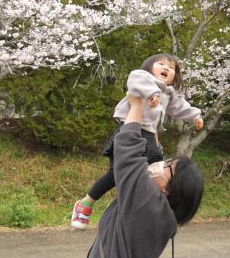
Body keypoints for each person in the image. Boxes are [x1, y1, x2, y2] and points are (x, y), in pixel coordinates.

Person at [73, 54, 204, 229]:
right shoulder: (142, 77)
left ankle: (143, 210)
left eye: (171, 67)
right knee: (116, 174)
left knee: (152, 174)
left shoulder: (169, 93)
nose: (166, 68)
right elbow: (135, 85)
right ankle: (85, 203)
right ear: (149, 67)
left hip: (150, 137)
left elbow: (180, 107)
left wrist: (195, 115)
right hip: (130, 130)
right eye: (161, 64)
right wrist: (151, 94)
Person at [84, 90, 204, 258]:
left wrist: (137, 105)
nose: (162, 164)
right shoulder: (159, 211)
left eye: (168, 167)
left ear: (170, 189)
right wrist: (152, 118)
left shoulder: (147, 203)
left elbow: (128, 153)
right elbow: (152, 151)